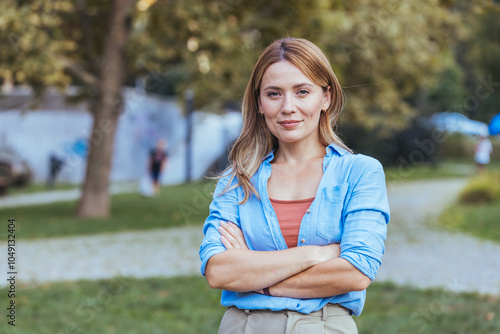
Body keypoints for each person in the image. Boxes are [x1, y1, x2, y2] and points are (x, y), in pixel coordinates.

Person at [199, 37, 390, 334]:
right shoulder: (236, 181)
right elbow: (219, 271)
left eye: (302, 92)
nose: (288, 107)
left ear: (325, 98)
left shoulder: (360, 173)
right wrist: (316, 254)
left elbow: (356, 272)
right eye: (274, 94)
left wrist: (256, 281)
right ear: (260, 103)